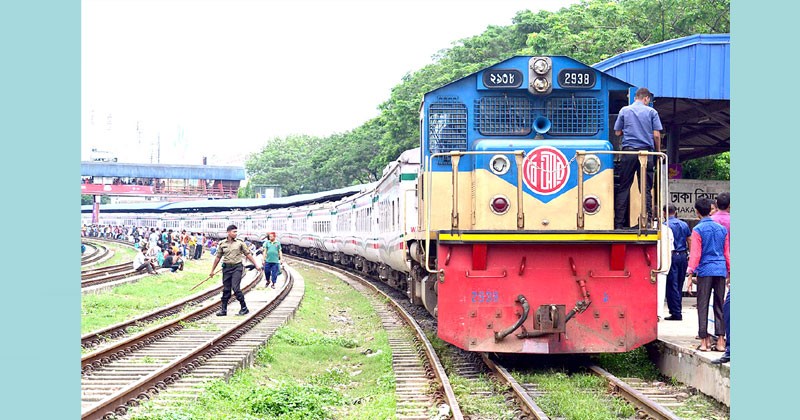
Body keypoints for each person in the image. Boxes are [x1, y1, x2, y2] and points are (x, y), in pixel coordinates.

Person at [613, 87, 663, 229]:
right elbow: (657, 135)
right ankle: (646, 221)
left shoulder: (624, 110)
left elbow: (617, 132)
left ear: (636, 97)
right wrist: (657, 152)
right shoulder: (652, 112)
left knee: (624, 187)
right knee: (646, 188)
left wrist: (628, 130)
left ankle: (618, 224)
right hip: (646, 154)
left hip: (628, 152)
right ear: (646, 98)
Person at [686, 198, 729, 352]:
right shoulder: (722, 229)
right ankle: (721, 342)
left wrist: (690, 273)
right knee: (719, 305)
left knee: (703, 305)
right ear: (711, 210)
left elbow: (695, 254)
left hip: (705, 270)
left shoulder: (698, 230)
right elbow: (727, 253)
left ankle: (705, 342)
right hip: (720, 269)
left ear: (697, 212)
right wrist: (729, 271)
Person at [209, 225, 263, 316]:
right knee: (226, 289)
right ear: (228, 232)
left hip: (237, 268)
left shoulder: (240, 243)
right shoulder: (222, 244)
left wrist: (256, 265)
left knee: (236, 288)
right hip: (226, 268)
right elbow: (218, 257)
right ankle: (223, 310)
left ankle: (244, 308)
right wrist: (212, 270)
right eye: (234, 232)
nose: (236, 233)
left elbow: (248, 255)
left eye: (236, 232)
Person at [711, 192, 731, 364]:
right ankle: (723, 342)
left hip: (711, 266)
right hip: (725, 265)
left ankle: (718, 339)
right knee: (723, 303)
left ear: (716, 204)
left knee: (722, 305)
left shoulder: (711, 222)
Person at [664, 204, 691, 321]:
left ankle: (676, 312)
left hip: (672, 256)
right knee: (680, 283)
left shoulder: (665, 226)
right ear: (675, 212)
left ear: (664, 212)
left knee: (672, 284)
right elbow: (689, 239)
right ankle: (677, 308)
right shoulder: (684, 224)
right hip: (683, 256)